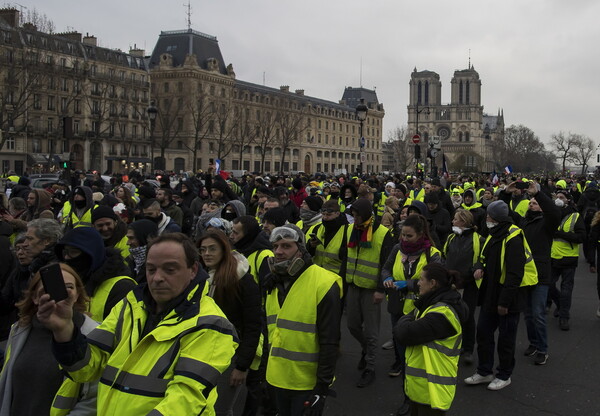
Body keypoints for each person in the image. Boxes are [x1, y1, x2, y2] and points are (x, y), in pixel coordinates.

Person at [37, 233, 239, 415]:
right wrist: (64, 329)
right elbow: (86, 370)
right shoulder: (130, 305)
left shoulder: (211, 324)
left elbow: (185, 400)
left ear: (193, 269)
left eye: (170, 269)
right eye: (151, 269)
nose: (157, 278)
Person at [263, 225, 341, 416]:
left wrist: (322, 387)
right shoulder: (273, 282)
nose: (279, 252)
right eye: (275, 246)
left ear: (301, 249)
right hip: (276, 378)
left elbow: (330, 340)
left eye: (286, 246)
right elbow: (270, 332)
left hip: (306, 384)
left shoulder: (324, 283)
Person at [0, 263, 98, 415]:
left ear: (77, 294)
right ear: (35, 297)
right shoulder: (19, 330)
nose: (61, 294)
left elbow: (93, 401)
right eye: (47, 290)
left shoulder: (94, 333)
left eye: (69, 288)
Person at [465, 200, 537, 391]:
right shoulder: (492, 234)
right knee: (483, 333)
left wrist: (504, 303)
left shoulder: (513, 237)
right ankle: (484, 371)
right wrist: (479, 267)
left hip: (508, 298)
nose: (486, 219)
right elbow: (483, 258)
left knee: (506, 339)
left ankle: (504, 375)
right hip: (490, 295)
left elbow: (515, 274)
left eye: (489, 216)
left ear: (496, 218)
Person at [198, 230, 262, 416]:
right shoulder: (202, 278)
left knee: (221, 408)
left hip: (231, 354)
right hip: (202, 351)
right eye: (203, 250)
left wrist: (241, 366)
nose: (207, 254)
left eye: (212, 249)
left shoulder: (243, 281)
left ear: (224, 250)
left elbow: (252, 326)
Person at [394, 263, 468, 416]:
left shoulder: (441, 315)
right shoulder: (433, 304)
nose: (418, 283)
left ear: (433, 283)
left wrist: (407, 317)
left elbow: (402, 333)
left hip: (431, 394)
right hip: (422, 390)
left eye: (421, 279)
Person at [500, 181, 561, 364]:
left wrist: (539, 194)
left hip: (541, 275)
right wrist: (506, 193)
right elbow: (504, 214)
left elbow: (554, 213)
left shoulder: (547, 224)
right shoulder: (523, 221)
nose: (532, 203)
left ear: (542, 207)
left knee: (538, 314)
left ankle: (543, 348)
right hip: (526, 274)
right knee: (527, 314)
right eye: (531, 202)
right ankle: (533, 343)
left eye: (535, 202)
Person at [382, 214, 442, 378]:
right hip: (396, 304)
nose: (405, 239)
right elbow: (386, 268)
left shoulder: (432, 254)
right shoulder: (397, 249)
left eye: (410, 236)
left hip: (418, 308)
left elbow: (435, 282)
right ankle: (400, 362)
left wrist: (408, 285)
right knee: (397, 338)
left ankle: (412, 374)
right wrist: (387, 278)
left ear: (421, 234)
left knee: (414, 346)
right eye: (403, 235)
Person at [345, 198, 394, 387]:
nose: (354, 219)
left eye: (357, 215)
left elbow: (386, 263)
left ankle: (370, 367)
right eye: (353, 215)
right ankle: (366, 349)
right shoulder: (350, 230)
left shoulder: (382, 233)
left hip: (371, 289)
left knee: (372, 332)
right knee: (352, 326)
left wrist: (381, 289)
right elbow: (346, 257)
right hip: (353, 285)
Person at [55, 227, 136, 322]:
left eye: (73, 252)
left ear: (90, 254)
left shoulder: (122, 286)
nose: (67, 257)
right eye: (65, 252)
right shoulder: (72, 281)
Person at [442, 209, 482, 365]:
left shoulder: (478, 239)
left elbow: (481, 259)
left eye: (456, 219)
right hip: (451, 284)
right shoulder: (451, 238)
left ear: (464, 222)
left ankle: (468, 349)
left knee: (467, 317)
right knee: (450, 316)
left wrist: (473, 271)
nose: (453, 221)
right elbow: (445, 257)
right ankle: (453, 345)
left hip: (469, 285)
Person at [549, 190, 586, 331]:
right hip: (553, 256)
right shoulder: (552, 214)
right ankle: (560, 305)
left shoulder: (576, 216)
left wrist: (561, 234)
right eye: (556, 197)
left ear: (568, 200)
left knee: (566, 290)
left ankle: (564, 317)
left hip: (569, 257)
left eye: (561, 197)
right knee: (548, 286)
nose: (558, 199)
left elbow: (581, 237)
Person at [231, 216, 274, 292]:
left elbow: (267, 288)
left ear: (247, 235)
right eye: (232, 231)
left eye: (236, 233)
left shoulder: (265, 255)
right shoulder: (234, 252)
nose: (231, 236)